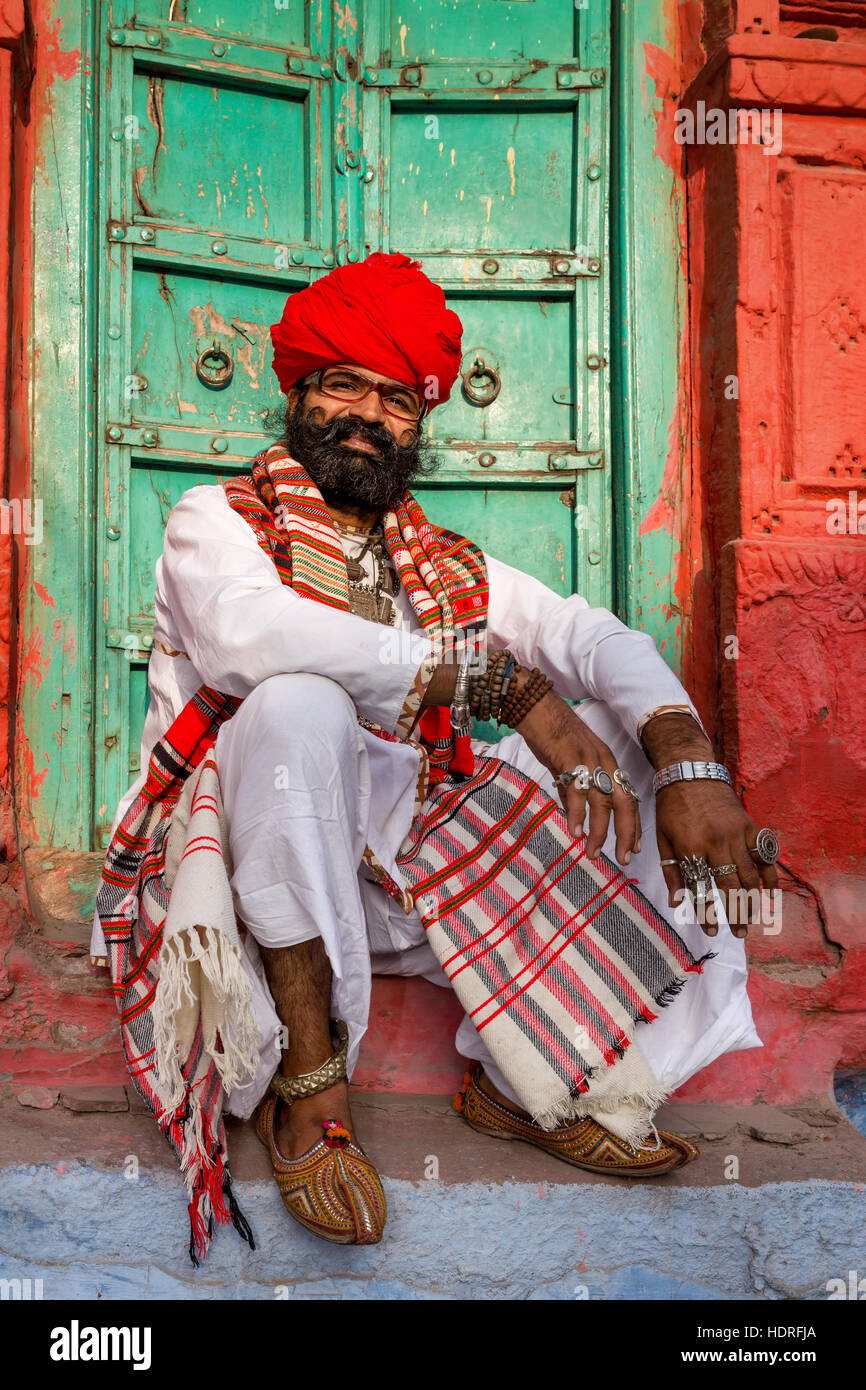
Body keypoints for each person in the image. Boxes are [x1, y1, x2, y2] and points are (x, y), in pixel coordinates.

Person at [93, 252, 778, 1258]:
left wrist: (685, 761)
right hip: (264, 885)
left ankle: (546, 1081)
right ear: (297, 395)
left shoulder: (442, 565)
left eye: (394, 398)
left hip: (410, 878)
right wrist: (495, 685)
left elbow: (592, 638)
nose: (366, 415)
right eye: (341, 385)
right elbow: (253, 639)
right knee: (292, 705)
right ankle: (308, 1089)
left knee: (655, 768)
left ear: (420, 422)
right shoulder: (218, 524)